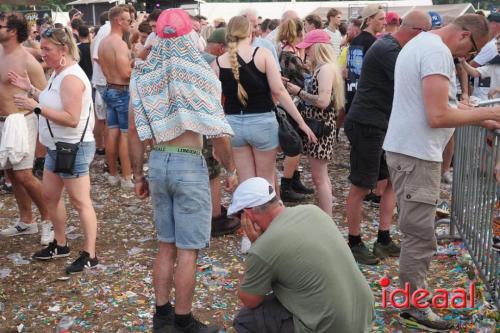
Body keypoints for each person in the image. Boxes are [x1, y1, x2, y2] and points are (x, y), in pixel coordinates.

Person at [383, 14, 499, 331]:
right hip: (417, 155)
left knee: (416, 232)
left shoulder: (422, 44)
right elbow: (437, 115)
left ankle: (411, 298)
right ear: (463, 35)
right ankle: (412, 306)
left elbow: (442, 105)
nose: (468, 58)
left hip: (409, 151)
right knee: (420, 237)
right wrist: (488, 112)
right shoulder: (436, 53)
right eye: (471, 50)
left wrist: (480, 119)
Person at [129, 9, 238, 333]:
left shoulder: (145, 74)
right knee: (187, 250)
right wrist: (230, 168)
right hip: (188, 162)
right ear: (190, 33)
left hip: (159, 159)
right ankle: (182, 319)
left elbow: (135, 131)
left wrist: (138, 175)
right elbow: (218, 134)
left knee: (166, 244)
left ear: (158, 35)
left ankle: (161, 317)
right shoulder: (201, 73)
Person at [230, 177, 375, 333]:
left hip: (333, 327)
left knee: (246, 320)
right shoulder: (312, 211)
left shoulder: (265, 247)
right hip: (362, 316)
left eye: (240, 217)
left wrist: (256, 245)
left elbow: (249, 299)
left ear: (248, 215)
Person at [343, 10, 432, 265]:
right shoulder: (389, 50)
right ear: (418, 32)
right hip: (367, 124)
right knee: (361, 185)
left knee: (390, 181)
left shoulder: (393, 47)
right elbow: (415, 85)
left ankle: (383, 238)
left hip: (381, 123)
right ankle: (354, 242)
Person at [12, 26, 98, 274]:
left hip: (74, 147)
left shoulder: (70, 77)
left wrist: (34, 107)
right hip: (57, 147)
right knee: (50, 196)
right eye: (42, 48)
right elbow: (52, 101)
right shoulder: (58, 73)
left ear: (63, 49)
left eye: (47, 49)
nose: (42, 54)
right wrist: (31, 90)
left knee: (81, 201)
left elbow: (71, 118)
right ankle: (60, 244)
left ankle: (90, 254)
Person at [212, 15, 316, 187]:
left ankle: (248, 214)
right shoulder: (263, 55)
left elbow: (215, 107)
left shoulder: (217, 64)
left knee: (247, 184)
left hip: (233, 125)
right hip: (263, 123)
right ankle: (269, 213)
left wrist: (217, 142)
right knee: (266, 181)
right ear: (250, 33)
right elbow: (279, 91)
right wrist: (301, 122)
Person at [0, 12, 50, 245]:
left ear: (12, 31)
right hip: (3, 122)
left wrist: (42, 135)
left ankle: (49, 220)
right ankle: (26, 220)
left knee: (24, 174)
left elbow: (46, 97)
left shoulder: (27, 60)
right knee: (11, 173)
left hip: (23, 121)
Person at [285, 30, 344, 216]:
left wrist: (299, 92)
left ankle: (326, 219)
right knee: (320, 177)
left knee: (320, 178)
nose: (307, 52)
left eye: (309, 48)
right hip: (320, 127)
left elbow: (323, 101)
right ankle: (325, 217)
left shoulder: (325, 69)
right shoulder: (324, 68)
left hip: (321, 128)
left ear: (317, 48)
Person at [203, 27, 242, 236]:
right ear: (221, 47)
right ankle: (216, 218)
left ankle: (205, 213)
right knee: (213, 171)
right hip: (208, 123)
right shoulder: (214, 63)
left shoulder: (192, 58)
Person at [276, 18, 314, 202]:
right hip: (292, 105)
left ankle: (294, 181)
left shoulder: (285, 52)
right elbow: (302, 80)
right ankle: (287, 185)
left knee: (296, 144)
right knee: (295, 145)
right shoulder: (291, 55)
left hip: (288, 104)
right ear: (298, 33)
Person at [98, 4, 134, 188]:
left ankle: (112, 175)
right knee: (125, 135)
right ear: (119, 21)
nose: (131, 23)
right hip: (122, 90)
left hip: (109, 88)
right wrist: (137, 64)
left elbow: (105, 68)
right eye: (128, 20)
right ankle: (127, 177)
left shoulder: (103, 42)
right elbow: (126, 73)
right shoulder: (118, 43)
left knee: (112, 132)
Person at [345, 4, 386, 114]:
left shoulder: (355, 40)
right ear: (368, 20)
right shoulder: (374, 43)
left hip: (352, 97)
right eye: (381, 19)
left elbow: (350, 72)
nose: (385, 22)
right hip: (367, 103)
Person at [91, 10, 110, 155]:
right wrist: (111, 74)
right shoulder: (106, 31)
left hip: (101, 81)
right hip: (103, 82)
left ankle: (101, 147)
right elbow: (97, 56)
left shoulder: (100, 33)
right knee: (105, 120)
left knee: (102, 119)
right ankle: (102, 147)